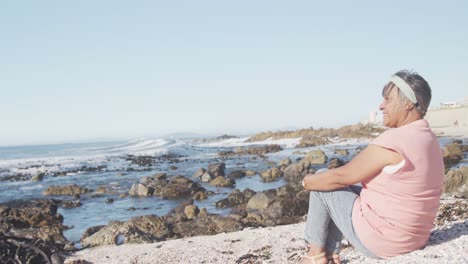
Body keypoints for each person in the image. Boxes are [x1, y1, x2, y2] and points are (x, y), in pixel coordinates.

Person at [299, 70, 444, 264]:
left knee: (322, 179)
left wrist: (305, 182)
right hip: (415, 239)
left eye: (388, 100)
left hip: (384, 241)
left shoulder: (394, 140)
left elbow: (342, 177)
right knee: (335, 185)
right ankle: (331, 255)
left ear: (409, 103)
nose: (381, 105)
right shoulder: (429, 138)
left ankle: (314, 256)